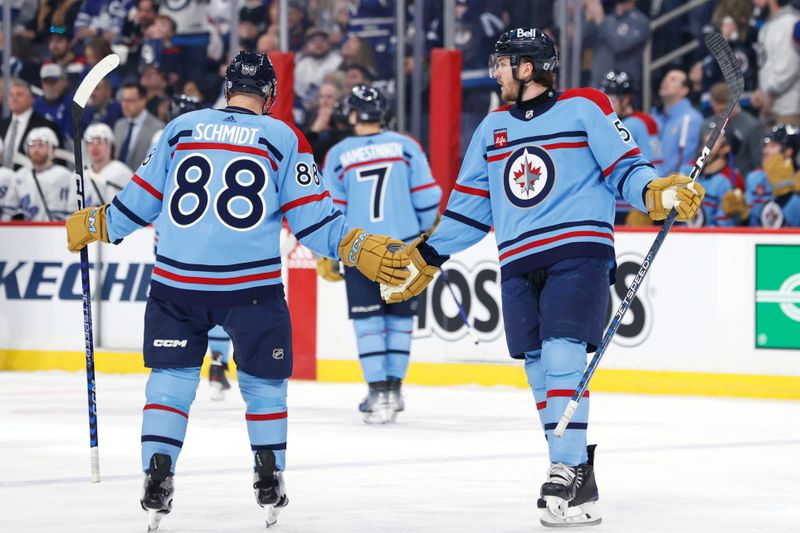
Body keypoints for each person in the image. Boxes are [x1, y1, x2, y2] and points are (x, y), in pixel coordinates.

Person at [64, 51, 410, 531]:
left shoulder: (180, 129)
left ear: (228, 88)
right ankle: (269, 475)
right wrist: (359, 249)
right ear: (269, 94)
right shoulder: (283, 137)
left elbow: (137, 207)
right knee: (264, 386)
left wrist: (96, 223)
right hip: (251, 288)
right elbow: (315, 224)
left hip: (177, 284)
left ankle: (158, 474)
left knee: (171, 382)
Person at [382, 28, 705, 527]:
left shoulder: (586, 107)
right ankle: (575, 473)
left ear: (527, 68)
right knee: (537, 367)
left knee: (561, 353)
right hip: (516, 260)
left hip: (578, 250)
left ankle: (563, 467)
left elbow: (627, 169)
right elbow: (468, 212)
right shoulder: (490, 129)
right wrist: (427, 255)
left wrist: (658, 194)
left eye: (502, 63)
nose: (495, 72)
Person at [319, 85, 441, 423]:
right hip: (404, 246)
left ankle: (376, 392)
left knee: (368, 321)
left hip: (360, 249)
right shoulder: (405, 146)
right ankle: (394, 391)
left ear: (354, 115)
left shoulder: (339, 154)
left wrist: (330, 250)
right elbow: (428, 196)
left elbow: (334, 209)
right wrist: (428, 233)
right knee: (399, 321)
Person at [600, 71, 663, 225]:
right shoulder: (602, 124)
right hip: (608, 207)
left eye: (611, 99)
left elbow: (657, 164)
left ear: (626, 98)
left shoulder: (642, 123)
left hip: (633, 206)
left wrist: (647, 204)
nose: (606, 105)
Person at [678, 125, 743, 227]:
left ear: (726, 148)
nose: (706, 138)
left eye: (714, 136)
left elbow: (726, 227)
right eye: (708, 134)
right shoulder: (687, 170)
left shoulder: (731, 181)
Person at [743, 124, 800, 226]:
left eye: (772, 146)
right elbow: (750, 222)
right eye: (765, 146)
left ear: (788, 151)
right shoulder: (753, 178)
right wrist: (742, 216)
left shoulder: (798, 179)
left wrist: (788, 195)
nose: (765, 151)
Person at [754, 0, 800, 126]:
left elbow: (790, 68)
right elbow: (764, 64)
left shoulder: (791, 22)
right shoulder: (765, 26)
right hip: (768, 108)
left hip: (788, 110)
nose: (754, 2)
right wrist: (759, 90)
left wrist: (769, 93)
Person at [12, 127, 73, 221]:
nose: (36, 149)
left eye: (41, 145)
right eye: (32, 145)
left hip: (59, 231)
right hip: (27, 232)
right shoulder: (20, 176)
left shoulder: (65, 176)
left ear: (52, 149)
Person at [1, 79, 62, 171]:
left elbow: (57, 157)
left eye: (19, 95)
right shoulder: (2, 124)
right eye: (11, 95)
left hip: (31, 180)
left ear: (32, 99)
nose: (14, 99)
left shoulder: (46, 124)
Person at [652, 69, 703, 175]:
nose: (665, 82)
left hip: (673, 184)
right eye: (665, 78)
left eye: (673, 79)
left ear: (685, 90)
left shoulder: (692, 119)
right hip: (651, 181)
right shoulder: (654, 118)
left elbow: (686, 160)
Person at [113, 83, 164, 170]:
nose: (125, 105)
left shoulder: (157, 128)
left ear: (143, 101)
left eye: (130, 101)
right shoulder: (119, 125)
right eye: (123, 100)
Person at [83, 123, 134, 204]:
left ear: (110, 146)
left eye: (100, 141)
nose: (95, 147)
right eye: (90, 142)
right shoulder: (80, 174)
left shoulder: (122, 172)